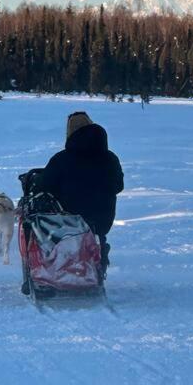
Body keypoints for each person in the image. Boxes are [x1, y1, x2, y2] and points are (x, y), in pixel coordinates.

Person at [33, 111, 124, 272]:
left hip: (68, 222)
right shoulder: (110, 158)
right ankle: (98, 256)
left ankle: (56, 267)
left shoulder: (61, 159)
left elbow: (44, 187)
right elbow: (118, 186)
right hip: (102, 219)